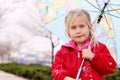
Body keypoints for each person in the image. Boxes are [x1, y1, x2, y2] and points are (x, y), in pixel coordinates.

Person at [51, 9, 116, 80]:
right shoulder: (63, 51)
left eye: (82, 26)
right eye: (73, 27)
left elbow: (110, 68)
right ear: (68, 31)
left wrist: (93, 57)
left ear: (89, 27)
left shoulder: (99, 47)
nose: (78, 31)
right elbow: (56, 70)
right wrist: (65, 78)